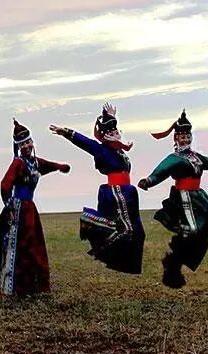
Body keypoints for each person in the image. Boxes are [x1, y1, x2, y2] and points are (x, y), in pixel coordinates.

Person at [137, 110, 208, 288]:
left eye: (188, 136)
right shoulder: (174, 158)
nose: (186, 139)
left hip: (199, 198)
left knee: (203, 231)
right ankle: (173, 264)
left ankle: (175, 263)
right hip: (184, 196)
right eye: (182, 137)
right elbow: (161, 171)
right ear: (176, 139)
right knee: (192, 230)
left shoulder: (196, 156)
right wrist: (148, 181)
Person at [49, 102, 145, 274]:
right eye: (111, 133)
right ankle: (90, 221)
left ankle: (128, 265)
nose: (116, 135)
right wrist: (66, 132)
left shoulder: (118, 150)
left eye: (116, 132)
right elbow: (85, 142)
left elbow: (112, 131)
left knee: (139, 231)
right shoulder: (101, 149)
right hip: (116, 191)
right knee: (127, 229)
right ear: (105, 137)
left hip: (129, 191)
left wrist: (111, 116)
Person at [0, 119, 70, 296]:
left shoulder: (34, 162)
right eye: (22, 144)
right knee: (19, 246)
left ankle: (31, 285)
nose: (27, 146)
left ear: (32, 141)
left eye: (28, 142)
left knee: (32, 245)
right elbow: (5, 184)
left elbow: (47, 165)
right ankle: (12, 286)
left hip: (30, 209)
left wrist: (61, 167)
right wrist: (10, 207)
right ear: (18, 147)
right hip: (18, 209)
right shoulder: (19, 163)